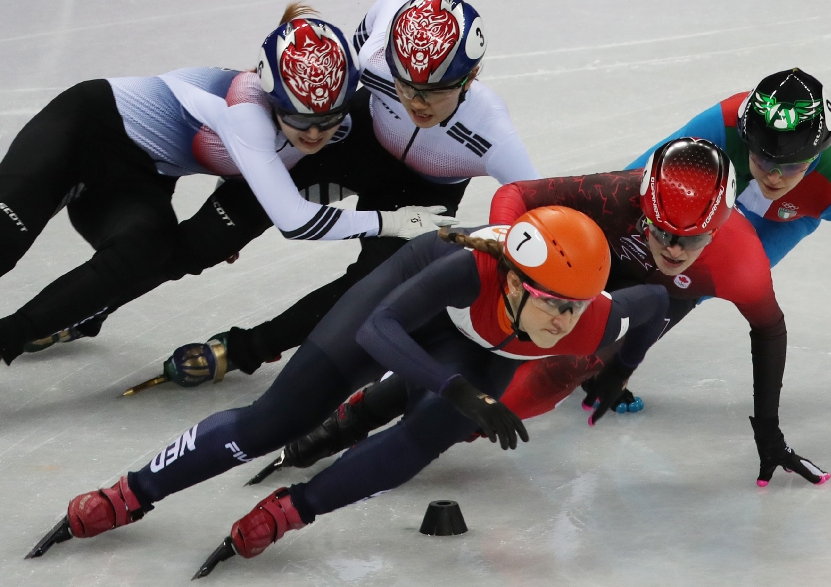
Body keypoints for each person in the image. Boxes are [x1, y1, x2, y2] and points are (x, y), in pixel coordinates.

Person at [28, 207, 670, 580]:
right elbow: (379, 328)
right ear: (511, 281)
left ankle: (291, 510)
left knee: (424, 439)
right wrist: (454, 387)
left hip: (477, 348)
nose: (566, 320)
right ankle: (133, 491)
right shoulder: (468, 269)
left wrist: (619, 371)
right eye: (553, 303)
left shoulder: (591, 319)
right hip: (408, 305)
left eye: (576, 306)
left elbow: (656, 303)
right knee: (270, 423)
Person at [246, 138, 830, 490]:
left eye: (691, 240)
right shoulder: (617, 191)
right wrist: (507, 252)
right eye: (660, 231)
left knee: (500, 405)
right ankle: (341, 425)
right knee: (469, 352)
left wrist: (769, 432)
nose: (673, 249)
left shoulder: (741, 262)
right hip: (561, 280)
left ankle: (388, 440)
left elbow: (769, 332)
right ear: (641, 203)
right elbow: (519, 195)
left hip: (618, 312)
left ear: (720, 228)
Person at [117, 0, 541, 391]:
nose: (416, 102)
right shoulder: (376, 59)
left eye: (434, 91)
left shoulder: (492, 132)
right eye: (405, 83)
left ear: (472, 77)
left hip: (421, 194)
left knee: (370, 288)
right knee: (213, 234)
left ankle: (242, 349)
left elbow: (542, 213)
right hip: (356, 142)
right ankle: (96, 301)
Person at [0, 6, 457, 365]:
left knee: (147, 250)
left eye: (328, 119)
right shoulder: (248, 115)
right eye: (299, 117)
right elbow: (294, 222)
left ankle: (10, 338)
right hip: (83, 131)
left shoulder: (316, 118)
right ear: (273, 96)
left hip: (141, 177)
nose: (315, 133)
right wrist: (393, 222)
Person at [623, 67, 831, 410]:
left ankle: (614, 360)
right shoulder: (723, 125)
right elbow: (630, 180)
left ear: (816, 157)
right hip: (726, 188)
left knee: (696, 279)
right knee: (650, 238)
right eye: (764, 158)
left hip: (789, 217)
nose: (775, 177)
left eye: (794, 166)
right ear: (745, 138)